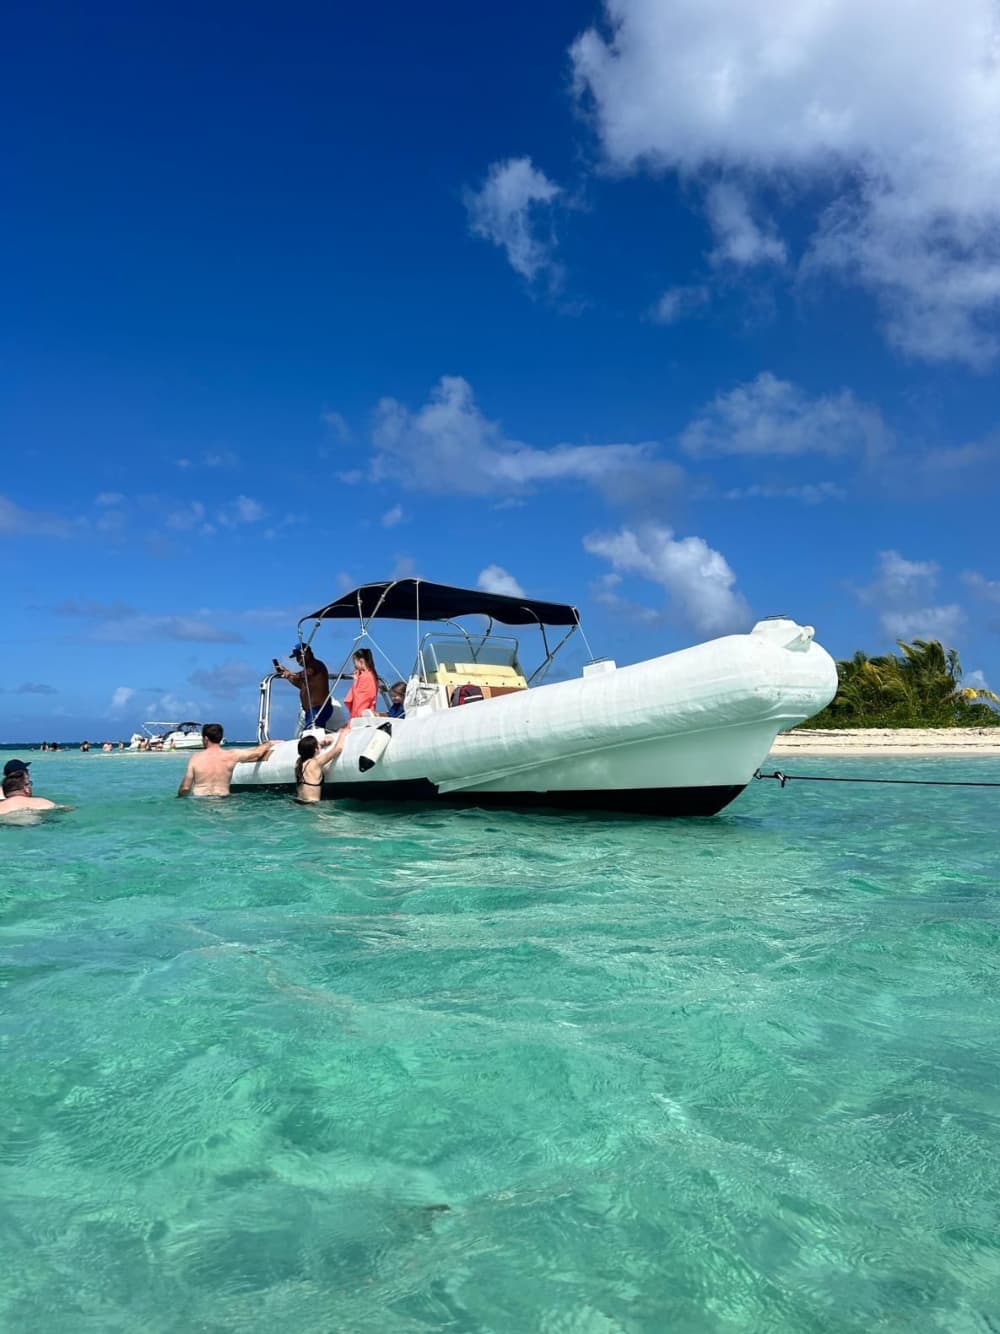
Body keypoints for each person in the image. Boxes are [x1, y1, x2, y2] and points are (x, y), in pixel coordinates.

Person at [176, 723, 280, 798]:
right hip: (222, 799)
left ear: (206, 739)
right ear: (220, 738)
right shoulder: (231, 755)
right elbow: (257, 753)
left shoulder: (195, 758)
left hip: (200, 800)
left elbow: (185, 788)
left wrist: (179, 798)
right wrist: (268, 743)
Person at [274, 644, 333, 729]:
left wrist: (290, 673)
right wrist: (288, 675)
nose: (298, 660)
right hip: (311, 711)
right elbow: (301, 685)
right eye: (297, 657)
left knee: (310, 735)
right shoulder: (307, 671)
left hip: (319, 709)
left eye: (299, 656)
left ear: (307, 654)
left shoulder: (316, 665)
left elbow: (307, 673)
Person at [294, 731, 348, 803]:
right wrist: (343, 733)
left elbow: (307, 750)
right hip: (312, 805)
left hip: (299, 802)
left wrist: (321, 744)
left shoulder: (298, 763)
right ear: (316, 749)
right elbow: (338, 749)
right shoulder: (315, 763)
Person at [344, 648, 380, 722]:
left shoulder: (365, 677)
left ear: (361, 661)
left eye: (355, 662)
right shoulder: (372, 675)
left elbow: (360, 698)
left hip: (360, 714)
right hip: (367, 711)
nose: (355, 665)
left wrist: (356, 681)